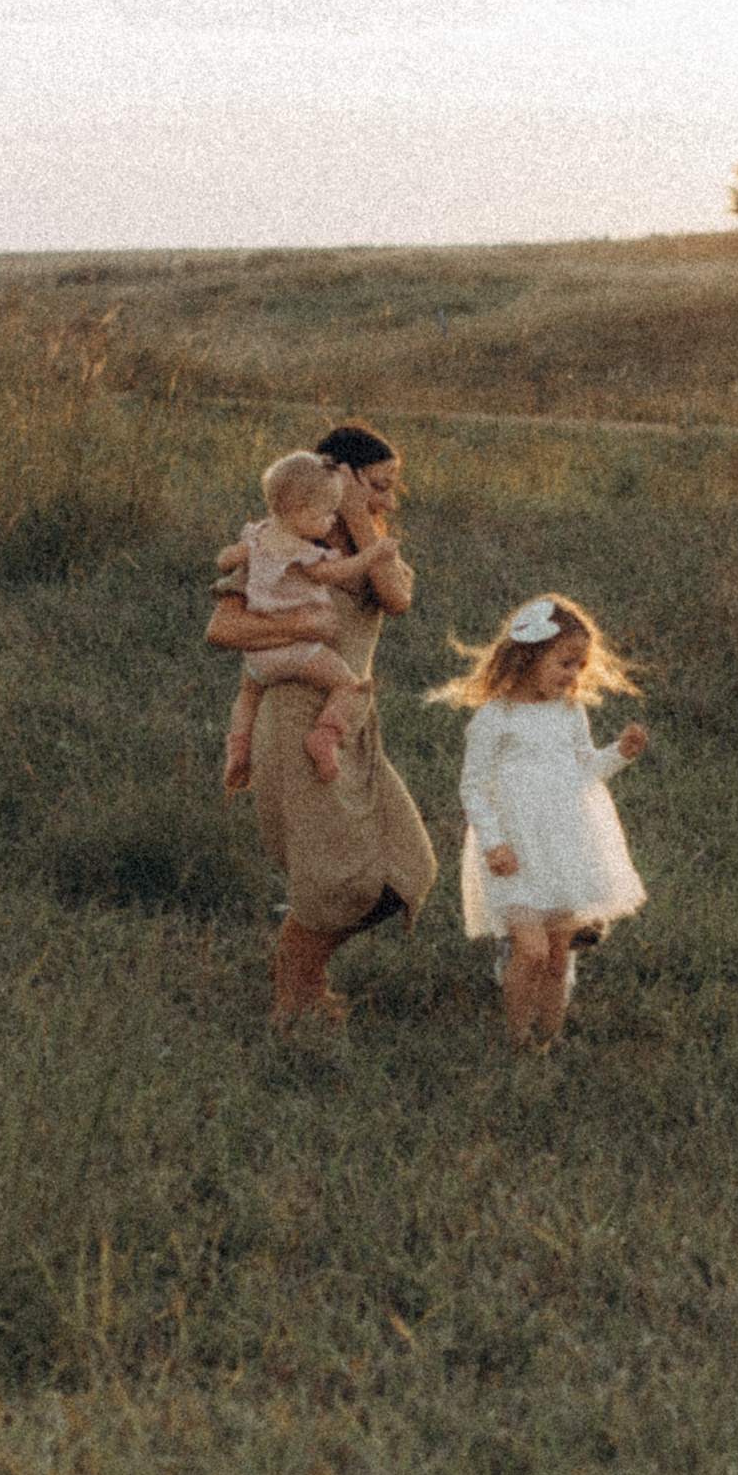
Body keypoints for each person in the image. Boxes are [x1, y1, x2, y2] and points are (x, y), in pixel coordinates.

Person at [205, 423, 436, 1025]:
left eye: (391, 489)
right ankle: (295, 996)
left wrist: (360, 518)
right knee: (335, 873)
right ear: (338, 472)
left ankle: (301, 974)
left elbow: (397, 598)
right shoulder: (276, 543)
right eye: (379, 486)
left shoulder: (368, 545)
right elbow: (223, 631)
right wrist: (305, 630)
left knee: (408, 864)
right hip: (293, 722)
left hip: (352, 719)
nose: (388, 500)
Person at [433, 593, 650, 1052]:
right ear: (529, 656)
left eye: (579, 665)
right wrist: (493, 842)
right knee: (529, 950)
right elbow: (473, 787)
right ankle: (517, 1035)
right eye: (564, 662)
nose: (573, 675)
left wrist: (618, 754)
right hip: (514, 851)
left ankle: (549, 1039)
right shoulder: (496, 716)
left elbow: (583, 771)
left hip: (563, 845)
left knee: (556, 956)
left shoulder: (571, 713)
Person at [217, 451, 381, 789]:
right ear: (300, 511)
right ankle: (324, 736)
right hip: (297, 650)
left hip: (259, 657)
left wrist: (230, 559)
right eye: (327, 514)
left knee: (248, 695)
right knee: (348, 684)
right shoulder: (304, 553)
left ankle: (238, 751)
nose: (332, 521)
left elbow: (225, 561)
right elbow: (336, 573)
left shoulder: (257, 536)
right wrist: (374, 555)